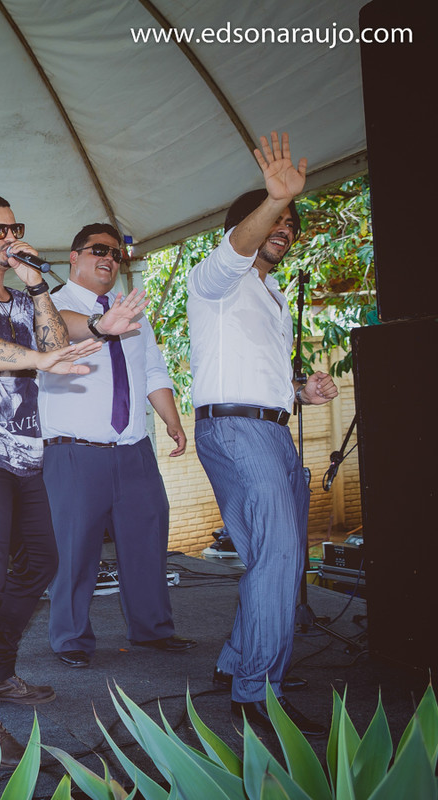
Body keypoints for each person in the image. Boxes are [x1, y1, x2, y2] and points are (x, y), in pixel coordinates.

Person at [0, 194, 119, 768]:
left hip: (23, 455)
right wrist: (33, 361)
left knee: (40, 561)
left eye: (16, 227)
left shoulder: (25, 293)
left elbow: (56, 349)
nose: (9, 237)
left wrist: (36, 285)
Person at [187, 131, 337, 738]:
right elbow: (236, 247)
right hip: (237, 432)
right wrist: (273, 200)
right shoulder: (214, 279)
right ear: (244, 226)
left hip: (268, 429)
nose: (285, 227)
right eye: (275, 218)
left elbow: (254, 374)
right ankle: (258, 694)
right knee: (277, 560)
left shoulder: (270, 292)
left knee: (276, 561)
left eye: (290, 221)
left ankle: (237, 666)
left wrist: (302, 392)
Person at [40, 222, 195, 670]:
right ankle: (70, 637)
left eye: (116, 254)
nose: (108, 259)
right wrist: (100, 327)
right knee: (73, 550)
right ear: (73, 256)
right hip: (74, 452)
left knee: (147, 539)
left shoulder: (131, 311)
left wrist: (172, 421)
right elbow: (61, 341)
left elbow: (153, 371)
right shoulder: (48, 307)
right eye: (97, 250)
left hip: (134, 448)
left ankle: (152, 630)